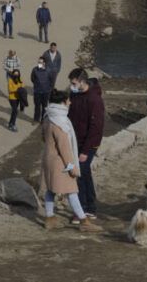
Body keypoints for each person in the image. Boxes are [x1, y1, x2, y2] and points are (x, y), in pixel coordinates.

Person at [41, 89, 103, 232]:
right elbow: (65, 148)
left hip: (48, 159)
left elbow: (43, 137)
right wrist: (72, 166)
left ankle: (49, 219)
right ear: (63, 102)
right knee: (72, 190)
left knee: (50, 190)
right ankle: (84, 221)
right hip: (60, 163)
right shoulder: (60, 121)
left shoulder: (48, 116)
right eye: (68, 100)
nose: (70, 102)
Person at [67, 68, 105, 220]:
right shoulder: (75, 95)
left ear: (82, 81)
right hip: (76, 141)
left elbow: (96, 127)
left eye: (74, 83)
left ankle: (82, 209)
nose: (71, 85)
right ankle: (90, 207)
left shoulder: (94, 100)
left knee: (80, 174)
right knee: (85, 173)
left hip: (88, 144)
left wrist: (85, 150)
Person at [31, 57, 53, 122]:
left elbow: (51, 80)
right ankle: (36, 119)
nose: (39, 63)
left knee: (45, 107)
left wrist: (48, 88)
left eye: (40, 62)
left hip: (46, 92)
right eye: (38, 62)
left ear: (44, 63)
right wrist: (37, 84)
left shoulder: (49, 70)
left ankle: (43, 120)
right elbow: (32, 79)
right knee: (37, 106)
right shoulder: (34, 70)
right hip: (37, 91)